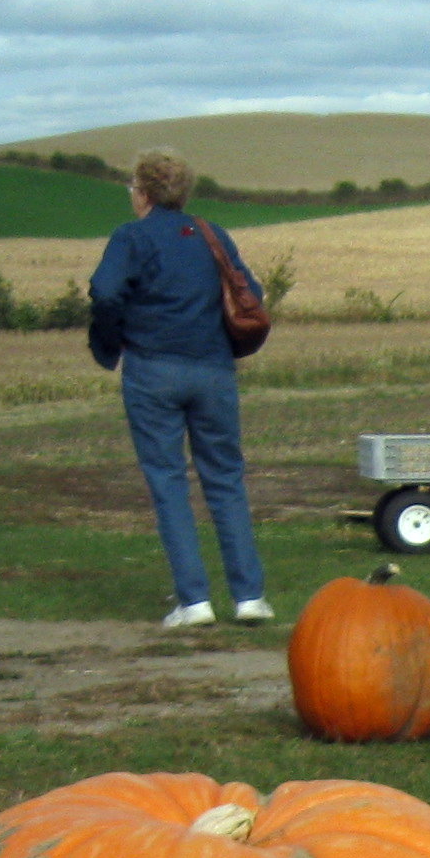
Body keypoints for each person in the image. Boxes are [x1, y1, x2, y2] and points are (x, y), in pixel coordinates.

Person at [87, 147, 268, 628]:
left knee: (168, 483)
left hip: (152, 371)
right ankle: (249, 597)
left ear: (142, 193)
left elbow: (105, 292)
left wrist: (110, 342)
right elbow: (253, 292)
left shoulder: (131, 237)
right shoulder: (213, 234)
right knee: (225, 479)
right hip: (213, 371)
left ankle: (195, 603)